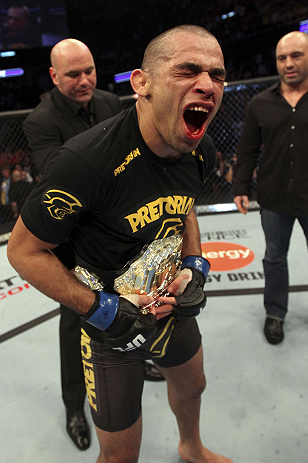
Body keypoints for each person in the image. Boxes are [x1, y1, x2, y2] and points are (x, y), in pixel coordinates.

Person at [8, 25, 233, 463]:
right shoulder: (84, 161)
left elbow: (183, 203)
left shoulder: (197, 148)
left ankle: (190, 448)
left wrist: (195, 261)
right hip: (110, 327)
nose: (207, 84)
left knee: (193, 385)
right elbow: (22, 250)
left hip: (171, 307)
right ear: (141, 83)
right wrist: (98, 307)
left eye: (218, 74)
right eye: (188, 70)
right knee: (120, 455)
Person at [22, 38, 122, 451]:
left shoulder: (111, 101)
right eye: (73, 75)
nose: (84, 81)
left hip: (117, 232)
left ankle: (135, 359)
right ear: (53, 76)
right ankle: (74, 406)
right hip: (72, 241)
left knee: (131, 301)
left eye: (89, 71)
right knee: (75, 320)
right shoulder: (40, 121)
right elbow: (57, 179)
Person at [233, 31, 308, 345]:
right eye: (282, 58)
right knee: (274, 257)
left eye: (296, 56)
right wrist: (240, 185)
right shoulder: (259, 104)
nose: (288, 63)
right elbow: (248, 149)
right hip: (274, 195)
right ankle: (275, 314)